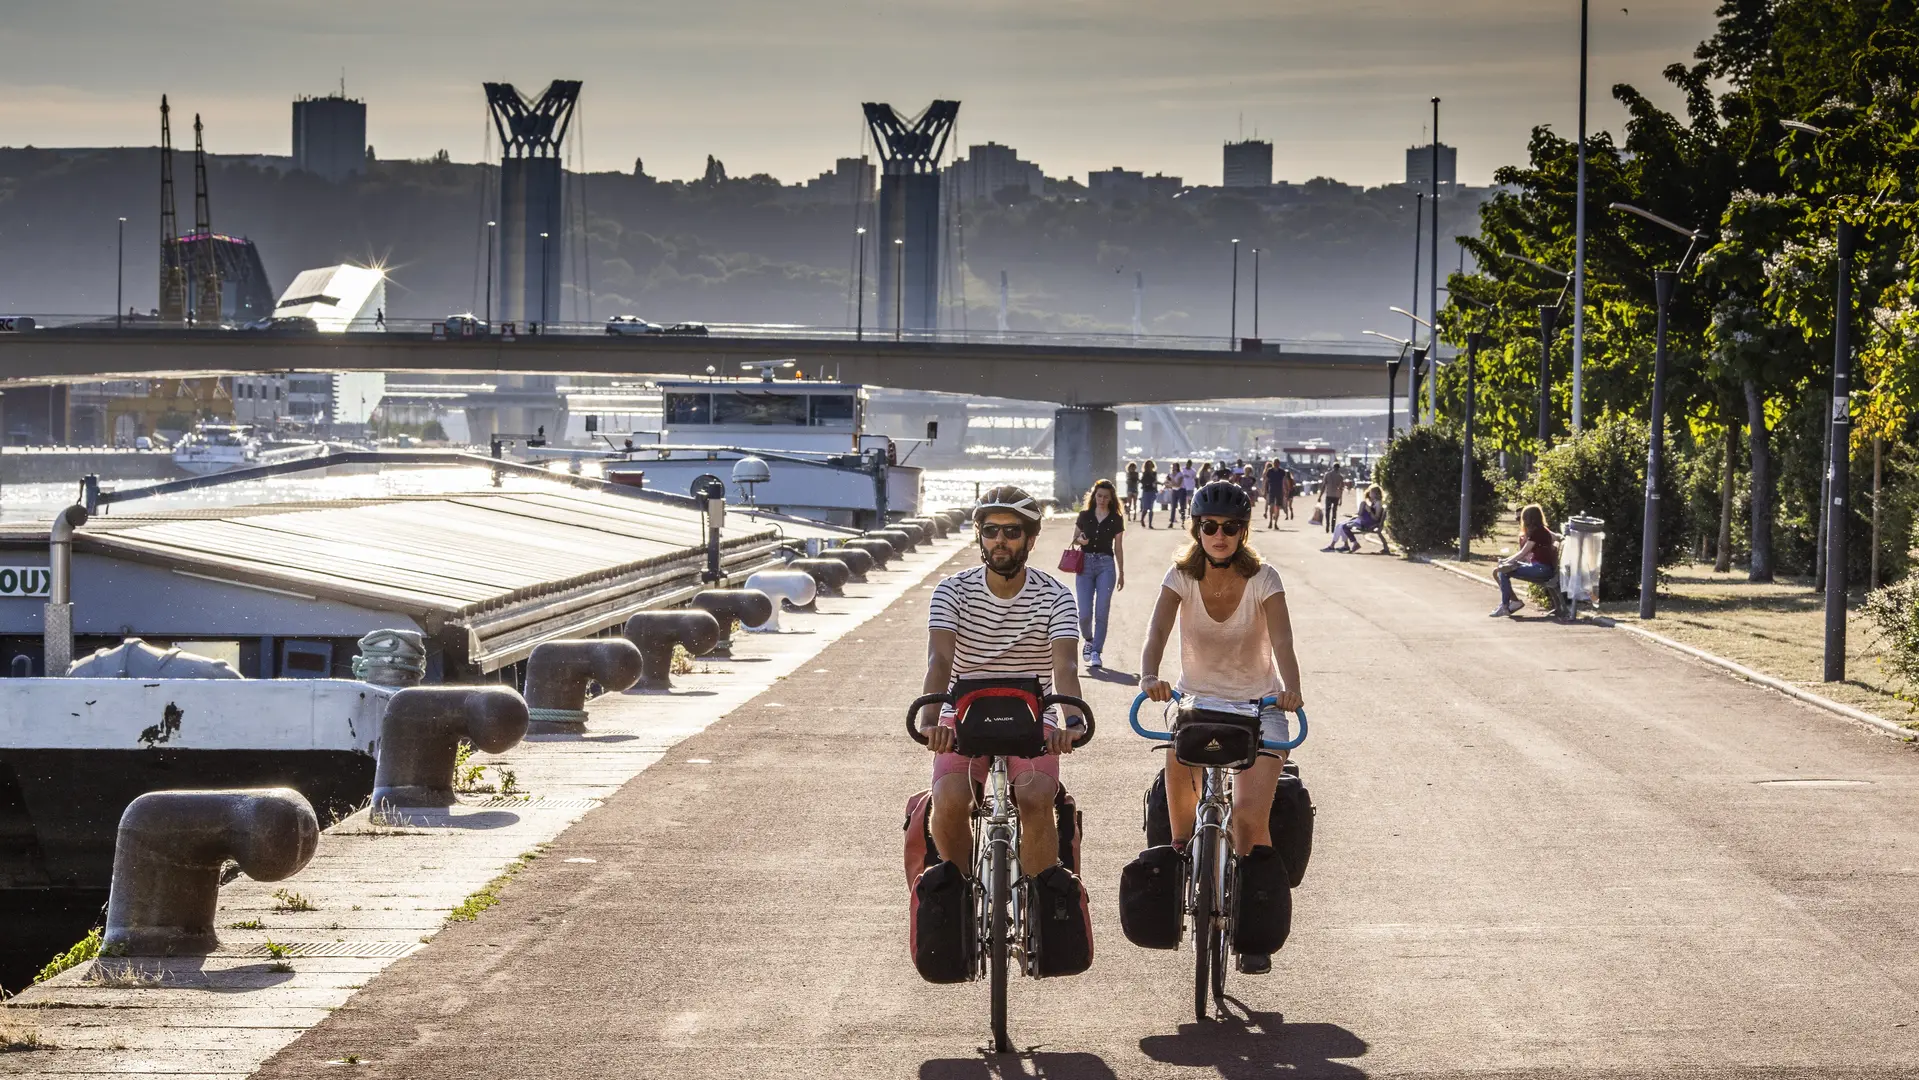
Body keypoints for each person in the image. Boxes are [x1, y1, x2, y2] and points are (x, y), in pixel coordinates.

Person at [1138, 480, 1305, 976]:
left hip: (1259, 705)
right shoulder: (1180, 576)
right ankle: (1183, 870)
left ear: (1243, 532)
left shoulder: (1264, 578)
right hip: (1196, 702)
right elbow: (1156, 633)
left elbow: (1284, 642)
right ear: (1197, 528)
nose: (1220, 535)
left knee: (1252, 820)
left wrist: (1290, 689)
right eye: (1210, 527)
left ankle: (1255, 933)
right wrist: (1150, 677)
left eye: (1230, 528)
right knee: (1178, 810)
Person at [919, 485, 1088, 884]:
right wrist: (930, 721)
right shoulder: (951, 591)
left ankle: (1038, 898)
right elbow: (939, 661)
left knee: (1035, 798)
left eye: (1012, 532)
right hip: (961, 713)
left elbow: (1064, 666)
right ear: (979, 535)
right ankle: (955, 892)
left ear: (1030, 539)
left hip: (1033, 715)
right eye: (991, 530)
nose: (1000, 540)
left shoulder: (1056, 596)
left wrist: (1074, 722)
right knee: (948, 800)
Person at [1071, 478, 1127, 669]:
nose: (1102, 499)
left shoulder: (1116, 519)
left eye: (1106, 497)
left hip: (1106, 565)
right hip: (1085, 565)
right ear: (1094, 496)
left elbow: (1118, 548)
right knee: (1084, 613)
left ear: (1111, 499)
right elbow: (1075, 539)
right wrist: (1081, 541)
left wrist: (1121, 572)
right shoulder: (1085, 516)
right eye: (1099, 496)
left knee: (1102, 612)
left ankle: (1096, 651)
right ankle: (1088, 639)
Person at [1492, 504, 1559, 617]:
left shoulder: (1537, 533)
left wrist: (1506, 562)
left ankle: (1505, 606)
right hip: (1542, 568)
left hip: (1541, 569)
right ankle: (1508, 604)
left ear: (1529, 518)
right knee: (1504, 570)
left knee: (1503, 571)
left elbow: (1523, 552)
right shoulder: (1541, 530)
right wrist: (1507, 560)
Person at [1327, 484, 1386, 553]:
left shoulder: (1378, 503)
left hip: (1368, 523)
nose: (1369, 493)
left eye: (1371, 492)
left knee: (1344, 526)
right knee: (1342, 525)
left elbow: (1375, 518)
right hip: (1365, 521)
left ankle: (1351, 544)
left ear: (1375, 493)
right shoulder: (1374, 502)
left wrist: (1368, 510)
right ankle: (1348, 544)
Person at [1319, 463, 1347, 534]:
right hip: (1336, 497)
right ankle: (1333, 527)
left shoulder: (1327, 475)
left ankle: (1327, 525)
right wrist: (1341, 499)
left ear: (1333, 467)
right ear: (1338, 468)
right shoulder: (1340, 477)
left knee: (1327, 512)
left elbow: (1323, 486)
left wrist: (1320, 496)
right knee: (1334, 512)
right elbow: (1341, 489)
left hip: (1329, 496)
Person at [1263, 460, 1285, 529]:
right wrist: (1265, 490)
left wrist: (1285, 490)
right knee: (1271, 506)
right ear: (1273, 463)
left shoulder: (1282, 472)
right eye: (1275, 463)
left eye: (1277, 463)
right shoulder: (1270, 471)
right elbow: (1266, 481)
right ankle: (1270, 522)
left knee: (1277, 507)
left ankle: (1275, 523)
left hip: (1279, 490)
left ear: (1279, 464)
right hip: (1271, 490)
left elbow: (1284, 481)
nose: (1276, 464)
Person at [1175, 461, 1197, 526]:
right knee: (1183, 503)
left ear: (1191, 465)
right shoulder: (1182, 470)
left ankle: (1189, 515)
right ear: (1186, 464)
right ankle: (1181, 512)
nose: (1188, 465)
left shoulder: (1193, 471)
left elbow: (1195, 479)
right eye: (1188, 464)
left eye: (1190, 464)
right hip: (1183, 488)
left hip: (1191, 488)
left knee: (1190, 503)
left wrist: (1197, 486)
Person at [1139, 459, 1159, 526]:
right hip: (1146, 491)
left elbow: (1155, 482)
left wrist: (1156, 489)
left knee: (1151, 508)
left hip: (1152, 491)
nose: (1149, 466)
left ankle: (1150, 524)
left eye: (1150, 465)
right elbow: (1142, 481)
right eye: (1148, 465)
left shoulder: (1154, 473)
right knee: (1145, 508)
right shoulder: (1145, 473)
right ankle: (1142, 519)